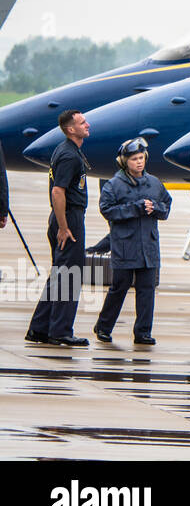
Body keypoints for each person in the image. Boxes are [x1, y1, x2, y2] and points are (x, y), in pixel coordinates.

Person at [93, 138, 171, 345]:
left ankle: (143, 332)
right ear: (124, 161)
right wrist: (134, 208)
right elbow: (107, 210)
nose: (139, 162)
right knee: (119, 287)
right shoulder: (114, 185)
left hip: (149, 248)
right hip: (125, 247)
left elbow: (166, 206)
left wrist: (155, 208)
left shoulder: (154, 183)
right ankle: (103, 327)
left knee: (147, 290)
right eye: (134, 159)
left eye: (141, 158)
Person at [26, 110, 91, 347]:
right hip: (68, 218)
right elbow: (57, 191)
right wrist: (64, 227)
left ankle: (40, 328)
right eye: (82, 122)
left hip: (64, 216)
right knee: (69, 275)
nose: (87, 124)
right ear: (70, 129)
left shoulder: (66, 150)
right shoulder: (69, 155)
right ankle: (60, 331)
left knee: (59, 274)